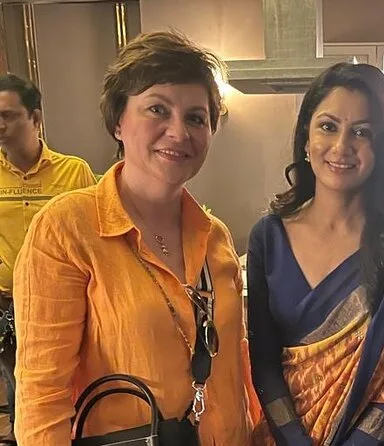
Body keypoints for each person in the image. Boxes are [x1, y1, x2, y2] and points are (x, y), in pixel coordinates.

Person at [13, 31, 254, 445]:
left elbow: (235, 370)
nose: (178, 132)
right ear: (118, 122)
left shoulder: (215, 237)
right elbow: (42, 398)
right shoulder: (67, 229)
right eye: (158, 109)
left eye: (196, 118)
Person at [247, 62, 384, 446]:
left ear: (382, 148)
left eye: (362, 132)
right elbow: (264, 364)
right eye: (328, 126)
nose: (342, 146)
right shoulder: (268, 237)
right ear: (305, 138)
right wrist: (295, 440)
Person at [0, 73, 96, 445]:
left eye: (8, 115)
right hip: (7, 304)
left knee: (65, 383)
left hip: (64, 304)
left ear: (36, 118)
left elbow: (93, 236)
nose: (0, 124)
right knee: (24, 387)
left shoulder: (73, 171)